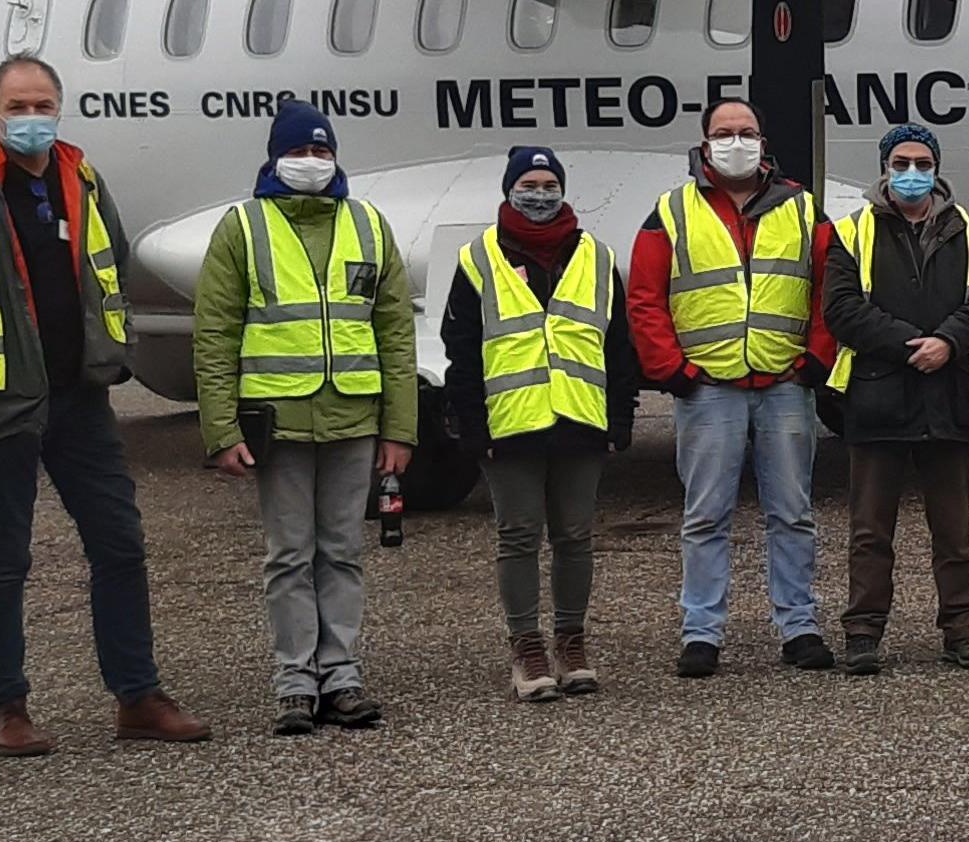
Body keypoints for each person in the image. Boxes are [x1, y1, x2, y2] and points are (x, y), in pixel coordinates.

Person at [0, 58, 207, 753]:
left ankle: (137, 694)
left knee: (120, 543)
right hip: (3, 406)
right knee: (3, 557)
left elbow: (108, 274)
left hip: (80, 397)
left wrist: (117, 355)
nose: (31, 115)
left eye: (42, 102)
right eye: (17, 104)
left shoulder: (83, 179)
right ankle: (7, 707)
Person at [193, 103, 416, 735]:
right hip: (279, 424)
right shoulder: (243, 226)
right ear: (274, 157)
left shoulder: (369, 225)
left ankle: (342, 675)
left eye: (323, 152)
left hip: (353, 418)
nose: (313, 162)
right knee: (289, 554)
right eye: (301, 151)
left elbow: (395, 331)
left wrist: (401, 427)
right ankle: (295, 681)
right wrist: (222, 429)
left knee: (343, 551)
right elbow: (215, 334)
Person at [627, 99, 831, 678]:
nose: (735, 142)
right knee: (705, 516)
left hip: (784, 384)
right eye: (724, 133)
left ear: (763, 141)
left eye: (746, 132)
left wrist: (817, 358)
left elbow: (829, 289)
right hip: (707, 388)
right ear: (704, 141)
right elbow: (644, 298)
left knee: (792, 512)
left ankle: (799, 626)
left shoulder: (802, 208)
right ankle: (701, 632)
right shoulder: (671, 211)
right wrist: (671, 370)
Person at [817, 123, 969, 675]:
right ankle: (862, 634)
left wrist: (949, 342)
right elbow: (841, 308)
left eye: (922, 163)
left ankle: (962, 631)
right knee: (869, 530)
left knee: (954, 531)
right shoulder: (851, 231)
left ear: (937, 167)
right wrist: (913, 346)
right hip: (878, 398)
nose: (912, 173)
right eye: (901, 162)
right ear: (885, 168)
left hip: (950, 397)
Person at [440, 146, 630, 701]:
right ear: (509, 189)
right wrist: (472, 427)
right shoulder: (477, 259)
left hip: (580, 420)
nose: (540, 193)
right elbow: (462, 351)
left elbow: (618, 347)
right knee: (518, 536)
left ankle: (571, 642)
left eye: (550, 184)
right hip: (511, 426)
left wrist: (620, 418)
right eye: (529, 183)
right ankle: (526, 648)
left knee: (575, 536)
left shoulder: (596, 255)